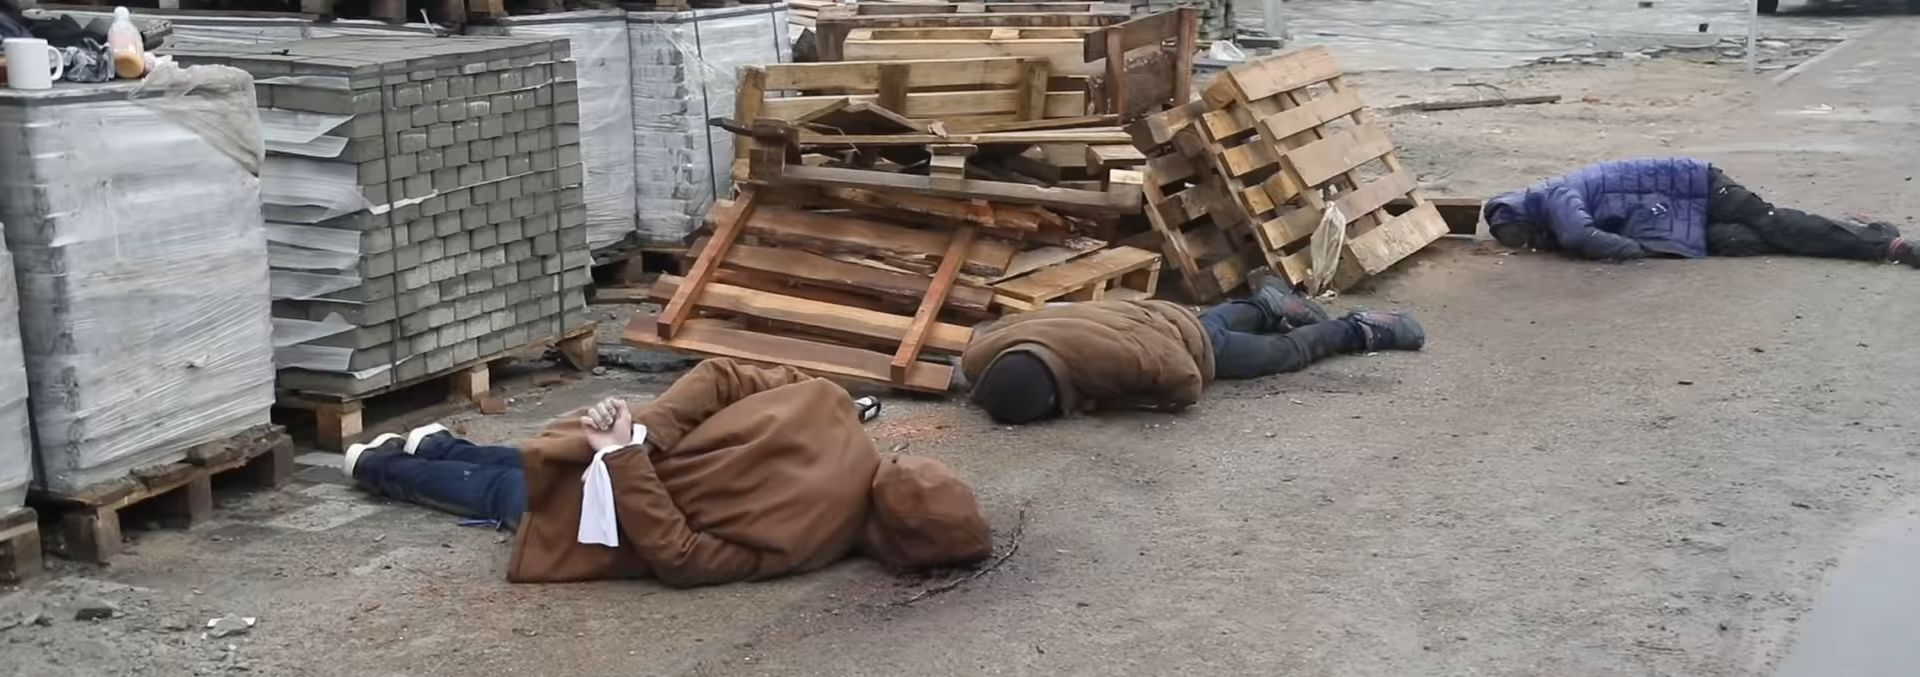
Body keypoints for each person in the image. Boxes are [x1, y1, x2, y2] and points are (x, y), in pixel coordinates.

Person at [340, 358, 993, 587]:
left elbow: (722, 375)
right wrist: (630, 451)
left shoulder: (831, 404)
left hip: (615, 458)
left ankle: (433, 445)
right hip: (606, 510)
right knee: (502, 490)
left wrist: (645, 434)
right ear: (896, 547)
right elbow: (680, 557)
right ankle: (378, 466)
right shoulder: (808, 544)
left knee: (536, 462)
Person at [961, 277, 1425, 425]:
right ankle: (1264, 304)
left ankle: (1355, 329)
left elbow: (1185, 382)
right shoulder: (980, 355)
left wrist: (1122, 402)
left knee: (1281, 353)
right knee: (1210, 321)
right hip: (1146, 311)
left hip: (1181, 341)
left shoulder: (1114, 362)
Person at [1485, 157, 1919, 266]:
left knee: (1774, 224)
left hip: (1696, 184)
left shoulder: (1555, 195)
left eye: (1519, 237)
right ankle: (1864, 233)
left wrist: (1634, 252)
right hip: (1669, 211)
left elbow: (1581, 236)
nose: (1524, 245)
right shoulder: (1550, 201)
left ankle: (1889, 246)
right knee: (1741, 241)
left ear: (1523, 215)